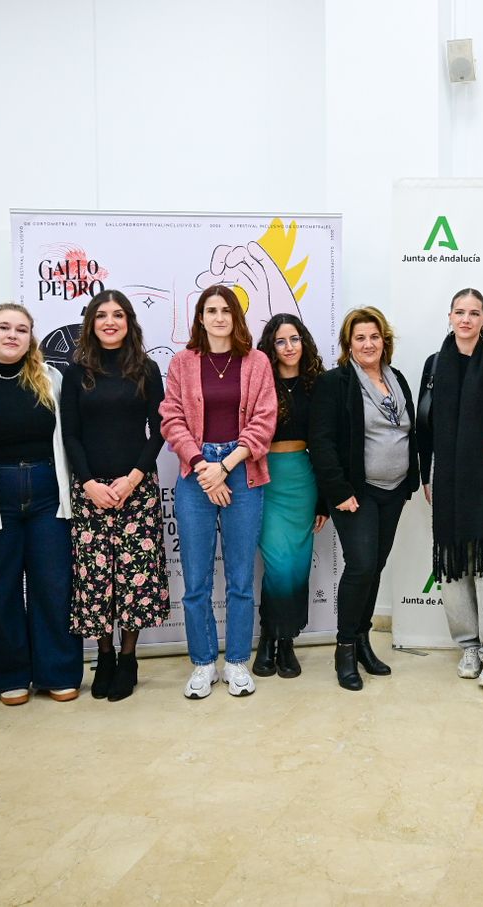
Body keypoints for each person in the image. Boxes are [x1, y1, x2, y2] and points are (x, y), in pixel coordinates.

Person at [161, 285, 277, 700]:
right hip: (196, 473)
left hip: (242, 471)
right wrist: (201, 465)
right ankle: (204, 662)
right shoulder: (182, 362)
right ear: (200, 317)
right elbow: (171, 418)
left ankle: (237, 662)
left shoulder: (257, 361)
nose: (219, 317)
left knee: (241, 578)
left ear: (236, 316)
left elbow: (264, 420)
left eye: (226, 310)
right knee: (195, 578)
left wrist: (224, 466)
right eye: (211, 310)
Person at [60, 290, 169, 703]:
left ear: (129, 322)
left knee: (133, 580)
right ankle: (103, 657)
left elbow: (159, 430)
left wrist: (133, 478)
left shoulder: (146, 369)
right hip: (90, 491)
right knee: (96, 579)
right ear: (90, 322)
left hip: (135, 490)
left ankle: (128, 658)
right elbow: (69, 433)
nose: (109, 321)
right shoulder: (76, 373)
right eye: (101, 315)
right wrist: (88, 483)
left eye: (117, 315)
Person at [0, 303, 80, 707]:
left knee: (53, 583)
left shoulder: (52, 378)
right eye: (4, 327)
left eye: (21, 329)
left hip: (48, 492)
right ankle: (8, 675)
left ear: (31, 335)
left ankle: (58, 671)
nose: (12, 335)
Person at [310, 306, 419, 691]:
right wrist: (339, 492)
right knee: (359, 566)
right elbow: (321, 444)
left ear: (384, 341)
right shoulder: (335, 383)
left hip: (394, 491)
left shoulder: (398, 379)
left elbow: (408, 432)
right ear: (348, 345)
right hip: (357, 493)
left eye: (374, 337)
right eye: (360, 338)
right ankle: (343, 649)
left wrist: (411, 482)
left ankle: (362, 642)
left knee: (374, 567)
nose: (368, 344)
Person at [418, 288, 483, 690]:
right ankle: (469, 646)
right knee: (454, 564)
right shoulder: (435, 363)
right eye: (460, 311)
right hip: (447, 479)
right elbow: (424, 425)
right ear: (449, 315)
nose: (466, 319)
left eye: (474, 313)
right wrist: (427, 475)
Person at [252, 313, 328, 679]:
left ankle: (285, 643)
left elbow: (327, 445)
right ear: (271, 346)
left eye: (294, 339)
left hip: (304, 478)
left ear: (304, 341)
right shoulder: (259, 381)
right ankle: (269, 636)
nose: (289, 347)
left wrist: (324, 500)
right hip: (267, 477)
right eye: (281, 341)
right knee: (278, 567)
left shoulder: (318, 384)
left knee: (297, 567)